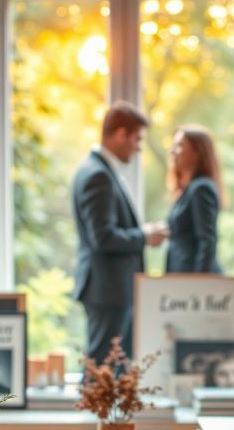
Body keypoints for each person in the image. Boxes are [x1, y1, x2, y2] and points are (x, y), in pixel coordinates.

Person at [72, 101, 167, 364]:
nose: (138, 148)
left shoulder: (96, 171)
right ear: (121, 133)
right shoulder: (97, 175)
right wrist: (144, 236)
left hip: (109, 288)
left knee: (110, 372)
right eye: (137, 139)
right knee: (101, 373)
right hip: (107, 289)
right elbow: (102, 237)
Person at [165, 125, 223, 274]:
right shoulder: (186, 191)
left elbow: (207, 241)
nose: (172, 151)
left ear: (197, 152)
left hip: (193, 284)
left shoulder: (201, 189)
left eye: (179, 146)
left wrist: (197, 283)